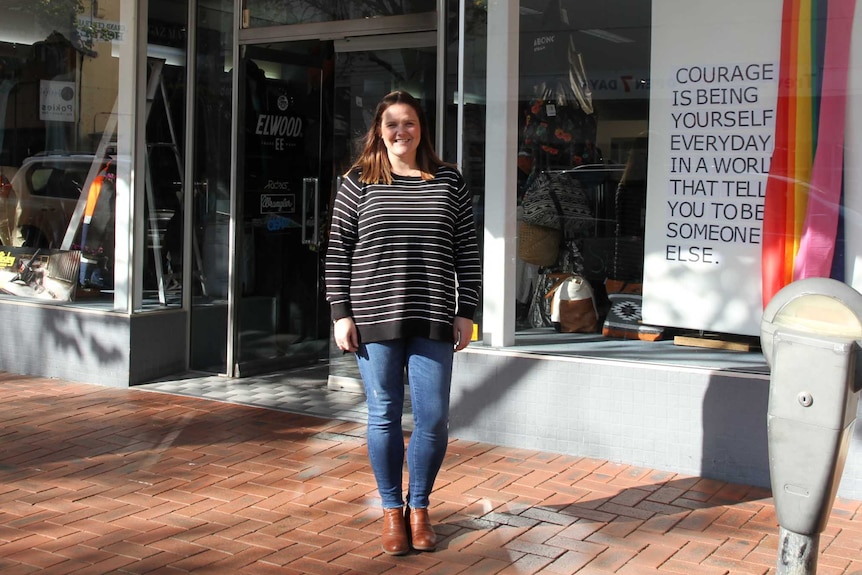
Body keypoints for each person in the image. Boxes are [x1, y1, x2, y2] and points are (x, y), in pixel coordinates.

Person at [325, 90, 481, 555]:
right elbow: (338, 252)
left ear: (421, 129)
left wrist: (466, 310)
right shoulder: (357, 181)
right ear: (379, 130)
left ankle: (421, 507)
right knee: (384, 415)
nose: (400, 132)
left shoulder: (448, 180)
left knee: (433, 419)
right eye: (391, 124)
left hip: (432, 313)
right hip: (374, 314)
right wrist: (340, 313)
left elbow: (467, 252)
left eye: (408, 123)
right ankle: (393, 512)